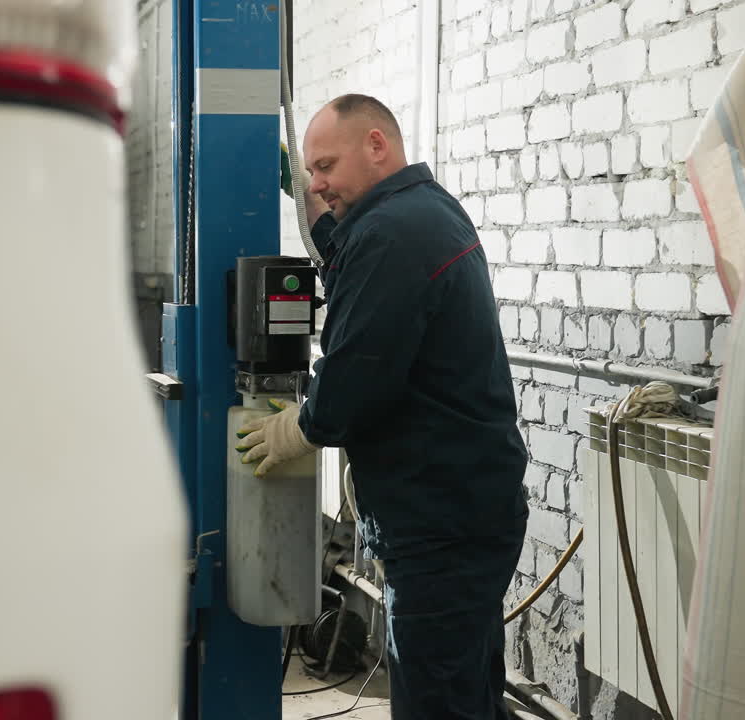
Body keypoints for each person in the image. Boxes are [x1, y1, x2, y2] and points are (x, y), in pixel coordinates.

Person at [236, 94, 529, 719]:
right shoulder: (419, 213)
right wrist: (307, 195)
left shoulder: (392, 235)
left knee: (436, 702)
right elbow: (344, 259)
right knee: (467, 689)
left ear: (377, 146)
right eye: (308, 171)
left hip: (440, 525)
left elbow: (353, 384)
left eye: (325, 168)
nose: (318, 183)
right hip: (467, 512)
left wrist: (297, 427)